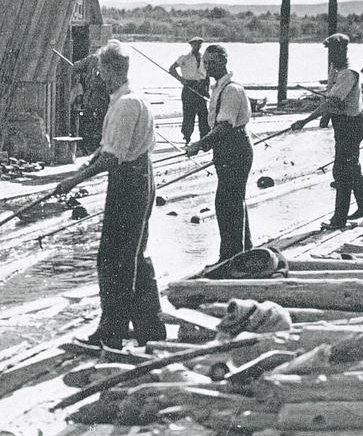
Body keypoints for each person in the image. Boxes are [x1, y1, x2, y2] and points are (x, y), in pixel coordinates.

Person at [54, 41, 165, 348]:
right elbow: (107, 149)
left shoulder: (126, 104)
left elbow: (111, 157)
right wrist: (80, 171)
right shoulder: (129, 98)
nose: (97, 77)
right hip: (139, 175)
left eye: (100, 70)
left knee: (114, 258)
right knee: (135, 255)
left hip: (129, 181)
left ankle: (112, 332)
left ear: (110, 71)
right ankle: (150, 328)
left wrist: (74, 180)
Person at [291, 33, 363, 230]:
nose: (331, 54)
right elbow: (331, 97)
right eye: (329, 51)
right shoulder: (335, 69)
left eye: (335, 50)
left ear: (343, 50)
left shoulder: (348, 73)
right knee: (351, 166)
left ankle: (339, 220)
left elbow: (333, 101)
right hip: (342, 123)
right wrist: (327, 116)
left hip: (352, 125)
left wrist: (305, 120)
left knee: (341, 171)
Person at [186, 44, 252, 262]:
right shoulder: (218, 88)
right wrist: (206, 144)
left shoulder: (231, 89)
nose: (208, 67)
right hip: (226, 147)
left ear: (224, 61)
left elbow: (224, 126)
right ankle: (243, 250)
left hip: (236, 147)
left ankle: (231, 256)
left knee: (227, 202)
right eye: (205, 63)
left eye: (212, 63)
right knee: (233, 199)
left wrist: (199, 144)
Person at [168, 36, 210, 145]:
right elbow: (171, 69)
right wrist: (181, 79)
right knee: (188, 114)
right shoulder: (184, 58)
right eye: (195, 44)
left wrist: (207, 89)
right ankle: (187, 138)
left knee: (203, 114)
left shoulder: (205, 59)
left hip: (201, 87)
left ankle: (204, 139)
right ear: (191, 45)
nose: (197, 46)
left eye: (199, 44)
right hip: (189, 88)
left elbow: (208, 74)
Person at [71, 51, 110, 152]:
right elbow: (75, 66)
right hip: (90, 100)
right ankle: (88, 148)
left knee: (102, 124)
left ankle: (101, 147)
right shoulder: (92, 59)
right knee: (88, 123)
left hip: (103, 101)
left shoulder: (112, 65)